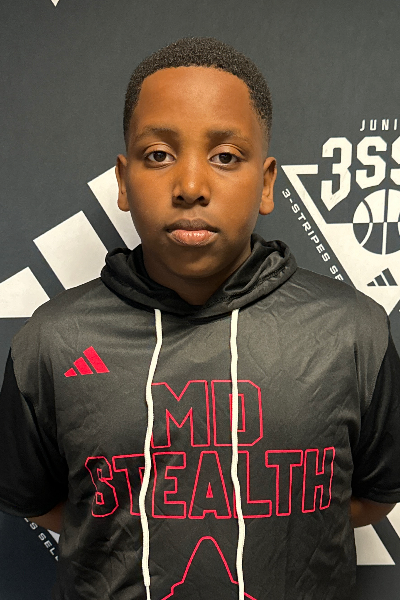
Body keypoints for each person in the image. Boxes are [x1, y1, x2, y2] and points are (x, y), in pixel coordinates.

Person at [0, 36, 399, 600]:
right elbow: (43, 503)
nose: (191, 187)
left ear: (266, 183)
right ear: (123, 181)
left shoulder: (354, 332)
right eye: (159, 155)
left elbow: (373, 495)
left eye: (225, 157)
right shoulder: (52, 341)